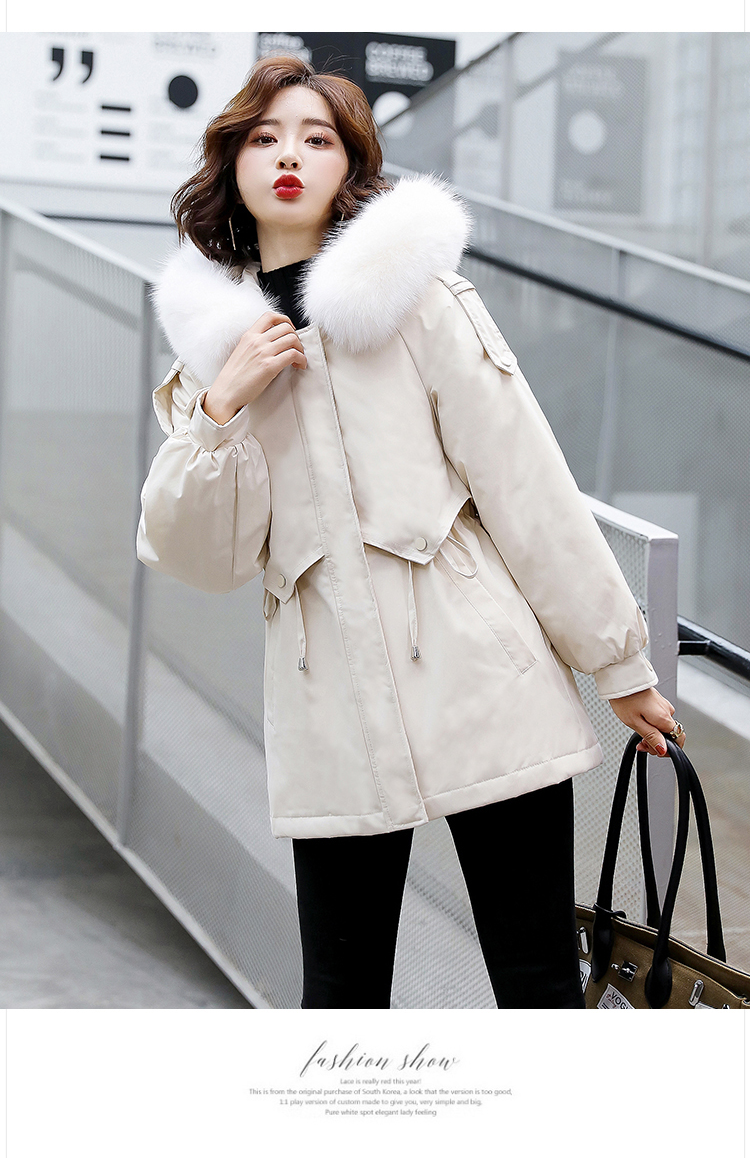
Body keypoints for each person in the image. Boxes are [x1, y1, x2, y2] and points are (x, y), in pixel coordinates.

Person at [136, 53, 687, 1010]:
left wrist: (620, 661)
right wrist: (222, 408)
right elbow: (199, 555)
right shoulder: (211, 358)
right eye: (265, 138)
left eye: (317, 139)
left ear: (351, 166)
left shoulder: (419, 303)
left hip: (485, 680)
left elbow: (525, 484)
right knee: (340, 997)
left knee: (537, 983)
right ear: (231, 165)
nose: (289, 156)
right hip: (327, 707)